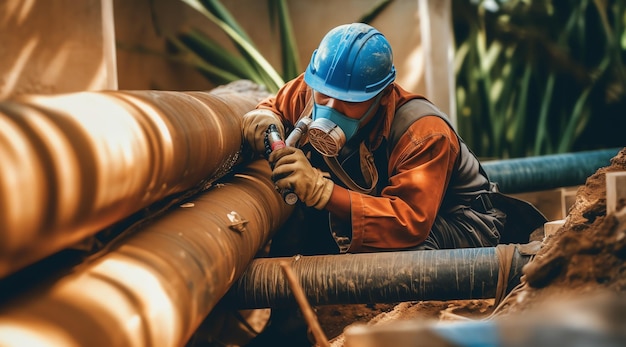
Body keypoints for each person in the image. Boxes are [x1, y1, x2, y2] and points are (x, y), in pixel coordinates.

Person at [241, 22, 546, 345]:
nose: (330, 109)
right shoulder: (313, 90)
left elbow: (409, 222)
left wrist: (323, 191)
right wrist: (266, 121)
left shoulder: (424, 131)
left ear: (382, 95)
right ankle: (287, 334)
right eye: (324, 95)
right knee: (305, 218)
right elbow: (274, 106)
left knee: (405, 254)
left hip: (457, 222)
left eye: (349, 102)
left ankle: (392, 331)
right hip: (381, 207)